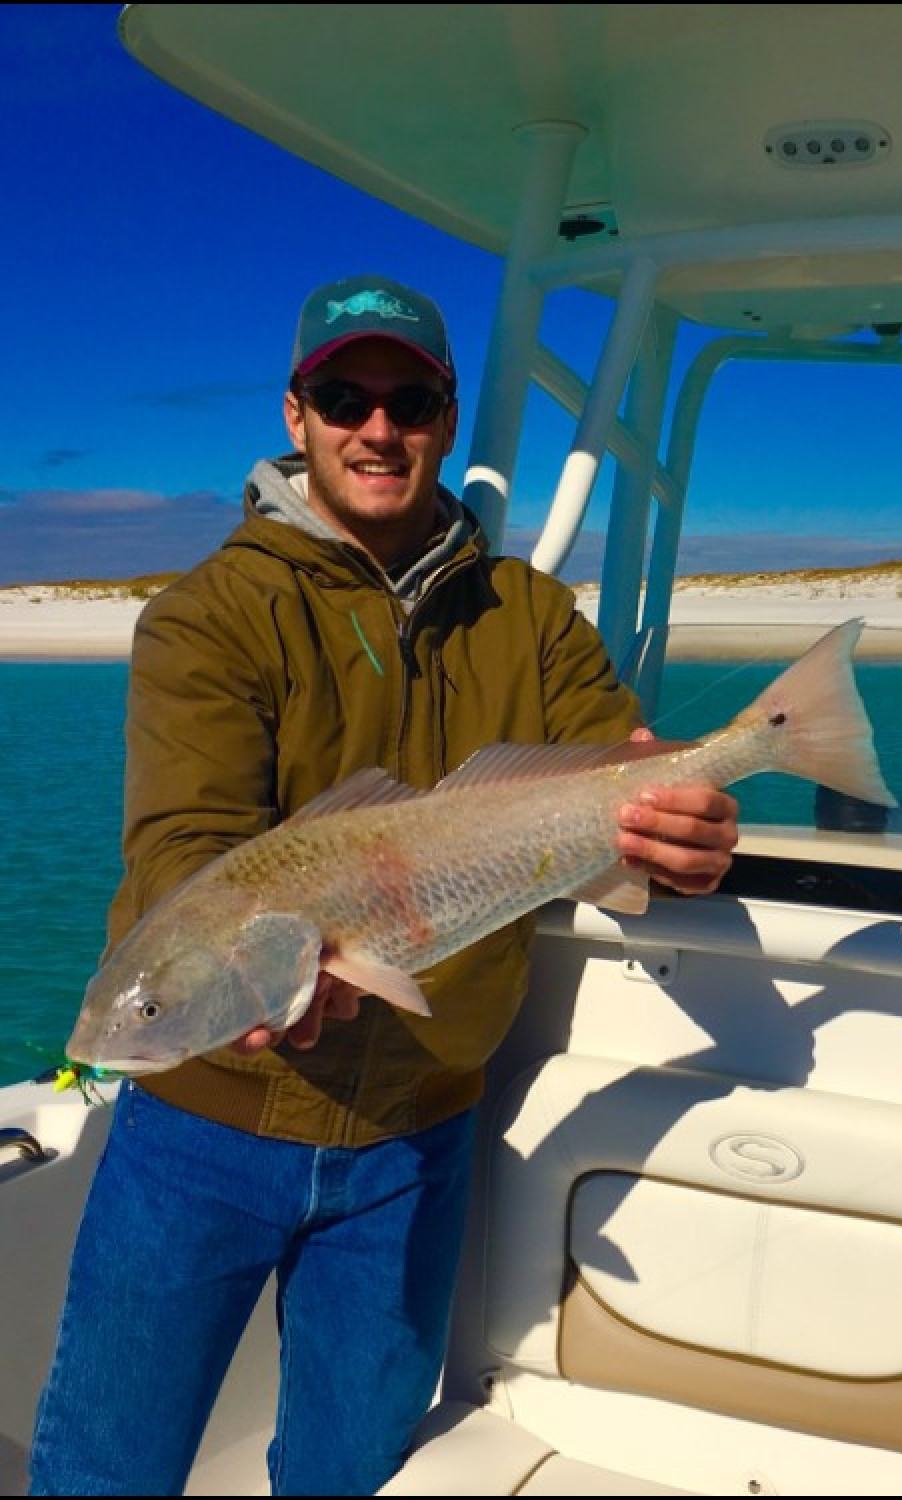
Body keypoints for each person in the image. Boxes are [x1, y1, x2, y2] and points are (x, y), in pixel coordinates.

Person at [27, 273, 740, 1497]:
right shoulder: (208, 617)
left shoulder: (530, 616)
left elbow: (623, 773)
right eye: (345, 396)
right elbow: (184, 847)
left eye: (408, 401)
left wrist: (683, 826)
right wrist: (246, 979)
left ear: (446, 421)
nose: (378, 428)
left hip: (420, 1134)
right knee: (105, 1469)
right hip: (205, 1128)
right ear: (296, 414)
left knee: (349, 1473)